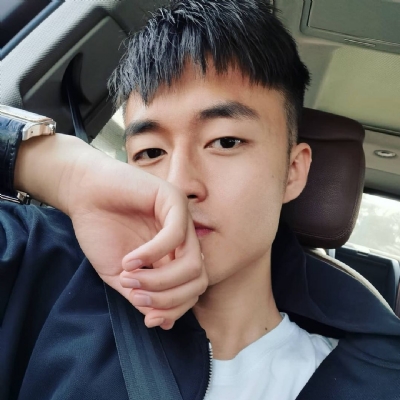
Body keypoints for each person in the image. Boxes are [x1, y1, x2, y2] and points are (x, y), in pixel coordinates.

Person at [1, 1, 399, 399]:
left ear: (293, 171)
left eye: (225, 142)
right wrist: (61, 171)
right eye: (150, 152)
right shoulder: (42, 268)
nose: (177, 185)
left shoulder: (378, 381)